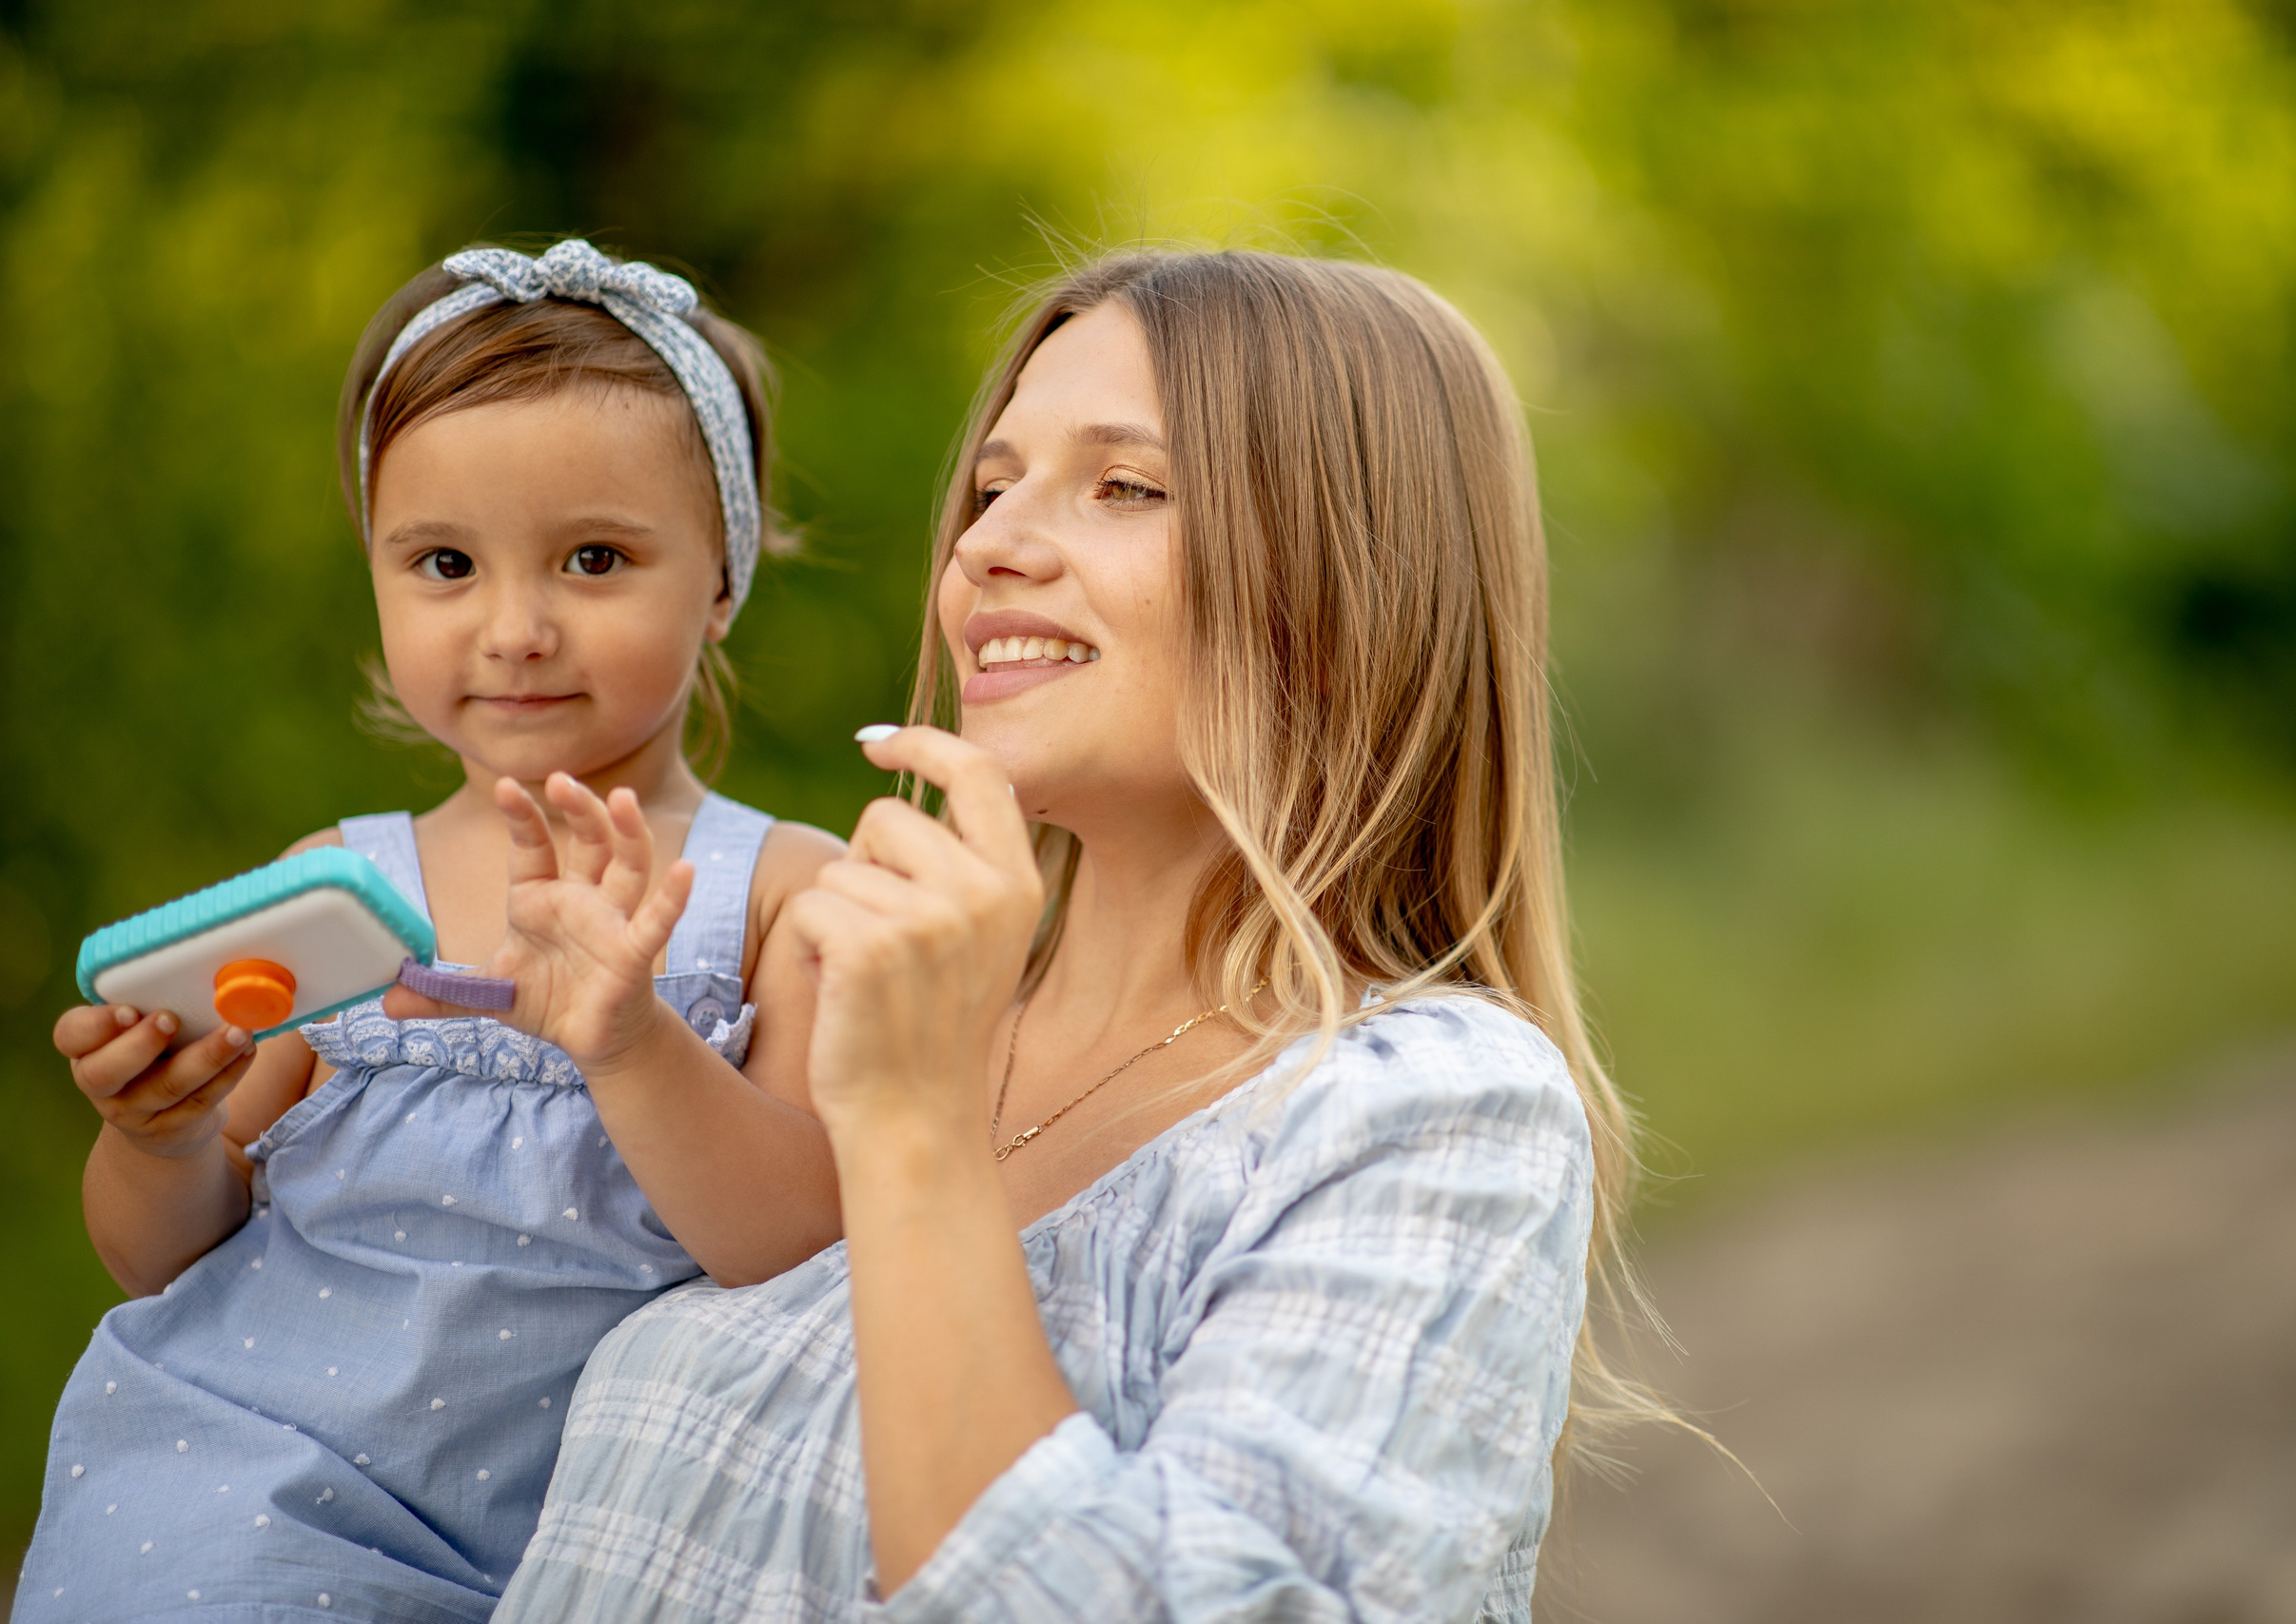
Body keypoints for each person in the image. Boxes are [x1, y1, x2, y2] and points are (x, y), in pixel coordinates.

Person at [463, 247, 1661, 1623]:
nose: (984, 546)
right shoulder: (820, 1033)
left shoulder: (1432, 1110)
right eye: (990, 487)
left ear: (1346, 596)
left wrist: (912, 1132)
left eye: (1126, 487)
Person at [23, 240, 845, 1621]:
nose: (515, 629)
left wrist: (630, 1039)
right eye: (445, 564)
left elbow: (793, 1247)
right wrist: (156, 1138)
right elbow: (169, 1254)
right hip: (251, 1493)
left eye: (595, 559)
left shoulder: (780, 894)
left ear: (720, 579)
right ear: (379, 579)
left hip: (585, 1544)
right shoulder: (339, 892)